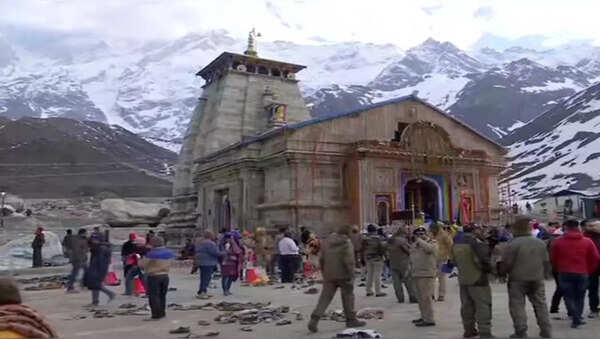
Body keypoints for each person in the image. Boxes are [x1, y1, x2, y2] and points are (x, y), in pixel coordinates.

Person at [499, 216, 552, 338]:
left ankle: (521, 331)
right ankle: (546, 330)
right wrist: (545, 274)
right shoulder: (539, 243)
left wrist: (502, 273)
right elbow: (546, 261)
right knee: (540, 304)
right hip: (537, 278)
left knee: (517, 305)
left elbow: (507, 263)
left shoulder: (512, 244)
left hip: (517, 279)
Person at [307, 224, 366, 333]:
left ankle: (314, 319)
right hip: (344, 275)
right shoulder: (346, 243)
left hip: (329, 274)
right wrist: (351, 274)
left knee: (325, 298)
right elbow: (348, 261)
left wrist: (324, 272)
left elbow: (321, 258)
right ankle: (351, 319)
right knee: (348, 297)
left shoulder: (327, 242)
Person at [551, 218, 600, 328]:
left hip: (564, 272)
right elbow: (596, 258)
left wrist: (557, 269)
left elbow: (554, 258)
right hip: (582, 272)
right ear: (578, 227)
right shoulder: (587, 241)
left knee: (568, 296)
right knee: (580, 296)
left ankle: (575, 316)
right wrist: (589, 270)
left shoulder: (558, 242)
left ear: (566, 228)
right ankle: (577, 317)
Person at [451, 224, 493, 338]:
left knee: (466, 306)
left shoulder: (456, 243)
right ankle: (485, 331)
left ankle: (468, 330)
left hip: (463, 279)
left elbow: (453, 261)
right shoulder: (477, 243)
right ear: (475, 231)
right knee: (483, 305)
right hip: (478, 279)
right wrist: (490, 270)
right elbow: (483, 261)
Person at [139, 236, 174, 320]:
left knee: (153, 296)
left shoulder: (152, 254)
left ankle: (156, 314)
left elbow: (142, 265)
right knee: (162, 295)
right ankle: (162, 312)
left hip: (154, 275)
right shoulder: (169, 252)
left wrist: (141, 258)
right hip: (165, 275)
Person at [410, 226, 438, 327]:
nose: (420, 236)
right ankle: (424, 316)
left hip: (427, 274)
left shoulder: (431, 243)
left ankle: (429, 319)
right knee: (420, 298)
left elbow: (430, 250)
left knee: (426, 298)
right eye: (418, 235)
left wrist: (420, 241)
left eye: (422, 234)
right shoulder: (414, 245)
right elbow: (411, 258)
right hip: (416, 273)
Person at [84, 234, 115, 307]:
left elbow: (102, 262)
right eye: (92, 239)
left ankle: (110, 294)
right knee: (94, 285)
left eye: (95, 239)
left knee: (96, 285)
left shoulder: (102, 248)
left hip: (99, 269)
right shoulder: (96, 248)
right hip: (94, 268)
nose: (93, 241)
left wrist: (101, 273)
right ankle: (95, 301)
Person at [388, 226, 416, 303]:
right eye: (407, 230)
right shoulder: (402, 241)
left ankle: (400, 298)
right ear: (403, 232)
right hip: (403, 263)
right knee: (408, 281)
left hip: (393, 263)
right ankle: (412, 296)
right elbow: (409, 251)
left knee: (396, 282)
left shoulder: (391, 240)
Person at [195, 230, 223, 299]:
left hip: (201, 262)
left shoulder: (200, 242)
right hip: (208, 262)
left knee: (203, 277)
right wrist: (223, 253)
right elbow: (215, 252)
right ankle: (203, 292)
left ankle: (201, 290)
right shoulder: (210, 243)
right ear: (210, 235)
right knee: (206, 278)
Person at [430, 221, 453, 301]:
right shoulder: (431, 234)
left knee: (441, 277)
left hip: (443, 259)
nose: (432, 230)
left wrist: (450, 257)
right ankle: (431, 294)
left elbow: (450, 246)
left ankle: (441, 295)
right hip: (432, 258)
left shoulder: (444, 235)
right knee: (431, 276)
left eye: (433, 229)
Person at [362, 224, 387, 297]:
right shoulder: (378, 238)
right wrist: (383, 255)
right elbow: (382, 248)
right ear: (375, 230)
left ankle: (368, 290)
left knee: (369, 274)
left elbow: (362, 248)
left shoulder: (365, 239)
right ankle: (378, 291)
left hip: (368, 257)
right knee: (377, 274)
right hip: (377, 257)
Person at [583, 220, 600, 319]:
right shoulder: (586, 237)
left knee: (592, 289)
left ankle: (594, 309)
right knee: (593, 289)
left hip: (591, 266)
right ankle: (594, 309)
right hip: (591, 267)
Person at [66, 228, 89, 293]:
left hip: (82, 259)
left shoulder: (82, 239)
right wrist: (79, 259)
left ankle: (84, 284)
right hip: (78, 259)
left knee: (86, 271)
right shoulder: (77, 240)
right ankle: (70, 287)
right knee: (75, 273)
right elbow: (77, 250)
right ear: (82, 233)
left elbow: (84, 248)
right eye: (85, 233)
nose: (86, 234)